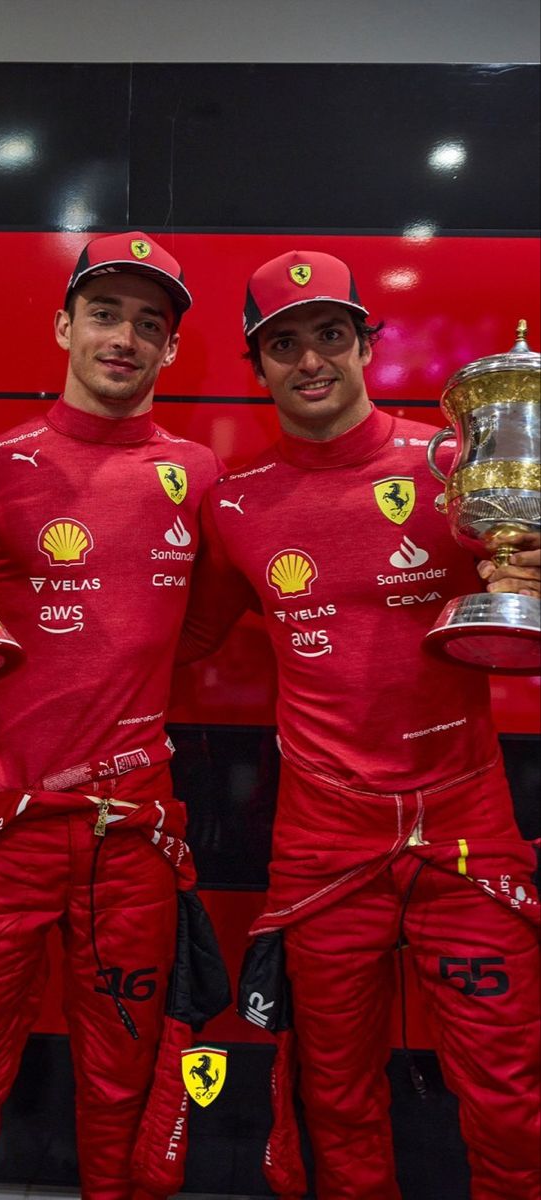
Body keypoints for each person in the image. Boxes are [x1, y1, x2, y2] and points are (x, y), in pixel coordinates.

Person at [0, 232, 229, 1200]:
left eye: (150, 324)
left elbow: (191, 632)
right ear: (64, 323)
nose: (125, 337)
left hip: (133, 834)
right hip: (1, 828)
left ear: (171, 351)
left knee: (128, 1081)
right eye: (105, 313)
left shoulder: (197, 472)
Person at [179, 249, 541, 1200]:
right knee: (331, 1093)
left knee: (506, 1090)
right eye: (283, 344)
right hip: (322, 839)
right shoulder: (235, 505)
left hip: (465, 826)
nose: (310, 362)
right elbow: (168, 635)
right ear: (255, 366)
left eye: (330, 337)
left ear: (366, 344)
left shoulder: (462, 467)